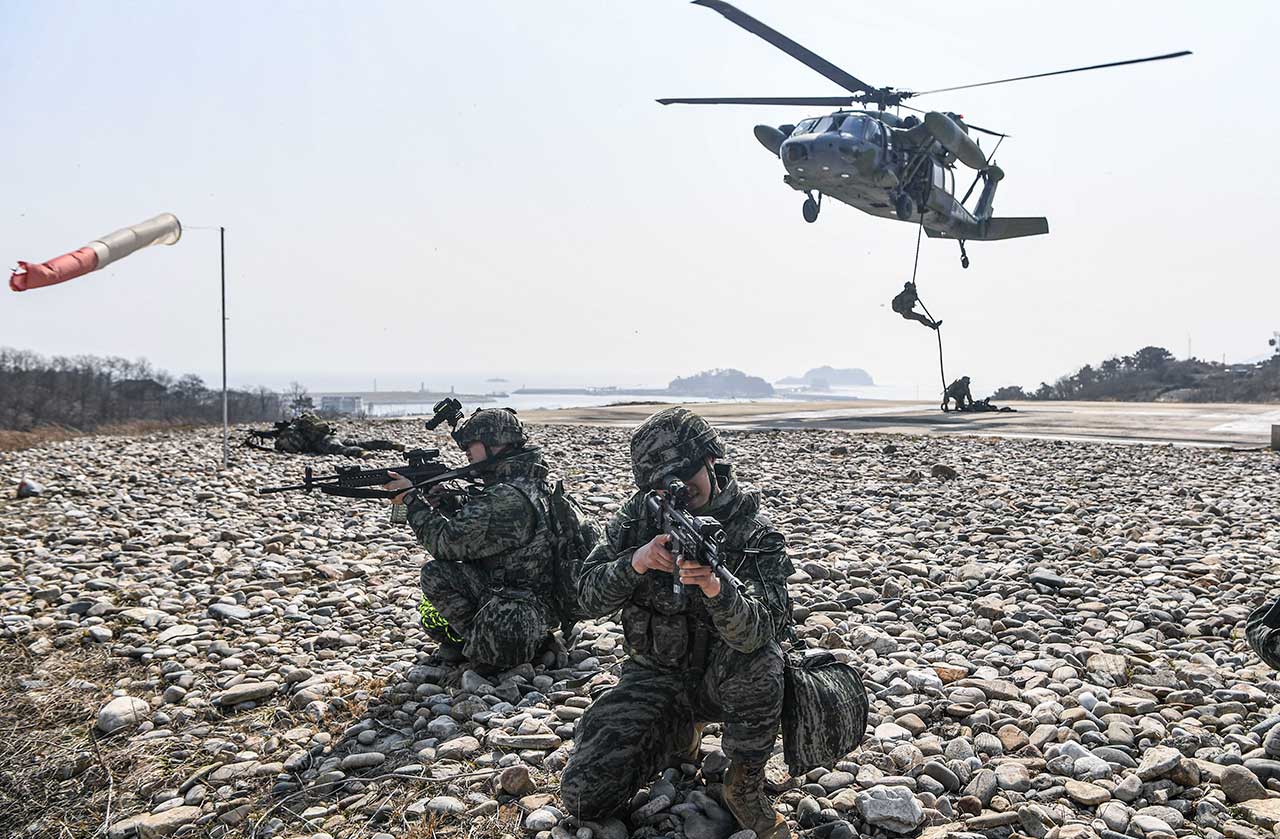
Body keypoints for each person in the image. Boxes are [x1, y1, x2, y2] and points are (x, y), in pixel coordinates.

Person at [560, 407, 794, 839]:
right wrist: (635, 561)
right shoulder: (636, 519)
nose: (681, 490)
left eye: (686, 474)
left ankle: (744, 783)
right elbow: (583, 598)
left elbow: (761, 630)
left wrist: (717, 589)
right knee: (583, 797)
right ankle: (679, 733)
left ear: (711, 459)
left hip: (726, 683)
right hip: (654, 676)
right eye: (663, 484)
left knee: (764, 661)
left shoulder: (754, 534)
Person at [383, 408, 562, 669]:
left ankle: (487, 648)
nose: (466, 450)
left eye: (471, 443)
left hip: (516, 612)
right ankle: (525, 642)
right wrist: (447, 501)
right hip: (536, 602)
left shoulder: (505, 497)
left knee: (436, 574)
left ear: (494, 442)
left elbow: (444, 544)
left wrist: (411, 501)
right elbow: (489, 529)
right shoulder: (527, 480)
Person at [272, 412, 403, 457]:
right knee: (361, 442)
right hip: (330, 436)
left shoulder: (295, 426)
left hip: (321, 441)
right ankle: (390, 445)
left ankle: (361, 453)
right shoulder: (304, 423)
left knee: (340, 449)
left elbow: (284, 441)